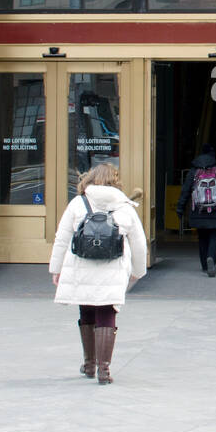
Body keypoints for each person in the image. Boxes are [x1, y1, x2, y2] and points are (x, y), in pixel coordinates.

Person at [49, 163, 147, 385]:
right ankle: (104, 370)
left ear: (90, 179)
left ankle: (89, 363)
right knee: (107, 310)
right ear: (115, 180)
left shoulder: (78, 203)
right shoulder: (124, 206)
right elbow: (139, 244)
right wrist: (138, 272)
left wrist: (56, 269)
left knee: (87, 308)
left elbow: (62, 238)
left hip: (81, 266)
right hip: (112, 268)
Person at [176, 144, 216, 277]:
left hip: (198, 211)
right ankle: (211, 260)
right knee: (215, 236)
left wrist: (180, 208)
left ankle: (204, 265)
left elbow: (185, 191)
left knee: (202, 236)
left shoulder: (193, 172)